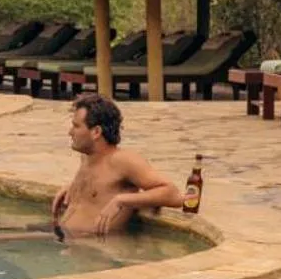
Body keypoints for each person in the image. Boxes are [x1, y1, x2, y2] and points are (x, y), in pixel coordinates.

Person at [51, 92, 184, 237]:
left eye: (76, 126)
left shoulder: (123, 160)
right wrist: (74, 187)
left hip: (94, 248)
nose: (70, 132)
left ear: (96, 132)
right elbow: (101, 187)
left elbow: (173, 194)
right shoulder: (87, 157)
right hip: (66, 237)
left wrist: (121, 200)